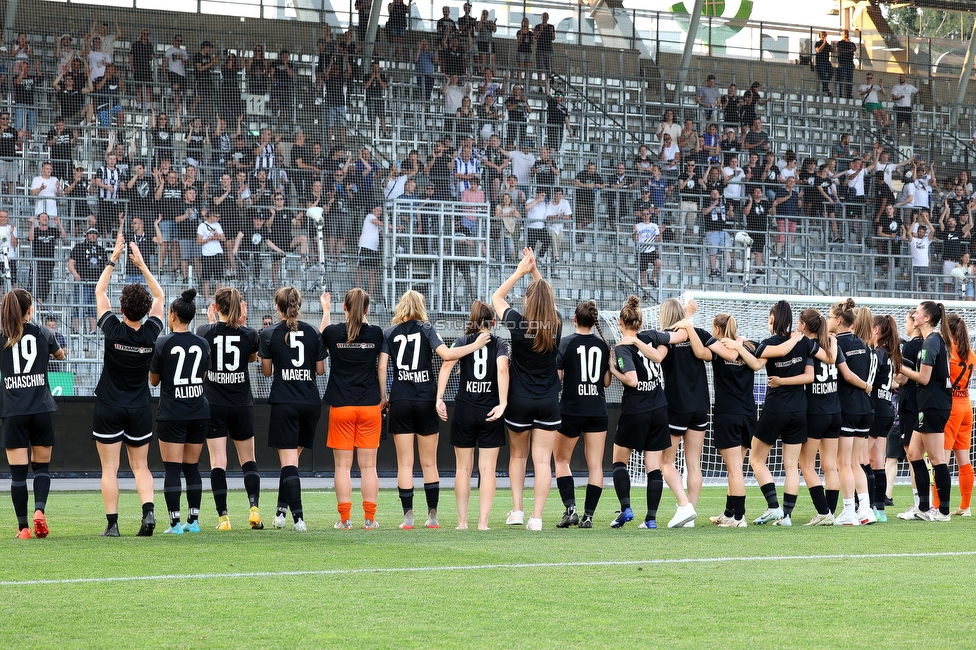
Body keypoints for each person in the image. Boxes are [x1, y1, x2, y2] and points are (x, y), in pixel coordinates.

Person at [379, 290, 488, 530]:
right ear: (420, 307)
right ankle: (432, 516)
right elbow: (447, 355)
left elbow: (383, 366)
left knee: (404, 463)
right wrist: (475, 345)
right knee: (429, 463)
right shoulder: (427, 329)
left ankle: (408, 517)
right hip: (426, 400)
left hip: (400, 400)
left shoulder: (389, 333)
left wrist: (384, 397)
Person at [93, 234, 164, 537]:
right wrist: (141, 263)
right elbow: (160, 297)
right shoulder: (151, 333)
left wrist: (113, 258)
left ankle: (112, 525)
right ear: (145, 311)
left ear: (121, 309)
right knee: (141, 466)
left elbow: (99, 291)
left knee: (110, 468)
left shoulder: (112, 329)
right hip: (139, 408)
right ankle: (148, 514)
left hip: (109, 406)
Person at [606, 295, 696, 529]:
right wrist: (686, 316)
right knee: (653, 465)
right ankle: (651, 519)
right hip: (659, 407)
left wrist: (613, 369)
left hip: (636, 409)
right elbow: (681, 335)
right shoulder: (652, 335)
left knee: (619, 461)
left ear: (620, 322)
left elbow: (632, 381)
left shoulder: (622, 347)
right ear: (641, 322)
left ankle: (625, 508)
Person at [491, 249, 561, 530]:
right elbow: (546, 298)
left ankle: (518, 510)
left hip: (519, 400)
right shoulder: (554, 324)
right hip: (548, 400)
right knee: (542, 461)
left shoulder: (518, 324)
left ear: (529, 300)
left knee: (518, 456)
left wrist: (521, 271)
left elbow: (496, 297)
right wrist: (535, 273)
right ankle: (537, 518)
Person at [435, 301, 508, 530]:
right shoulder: (500, 344)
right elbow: (503, 369)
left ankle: (462, 522)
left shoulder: (463, 341)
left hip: (464, 409)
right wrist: (503, 403)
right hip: (490, 410)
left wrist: (439, 397)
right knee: (487, 469)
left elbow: (447, 364)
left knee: (463, 469)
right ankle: (483, 523)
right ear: (493, 322)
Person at [259, 287, 326, 532]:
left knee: (288, 463)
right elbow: (320, 370)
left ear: (278, 307)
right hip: (310, 402)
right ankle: (280, 512)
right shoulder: (313, 331)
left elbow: (266, 372)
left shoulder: (269, 333)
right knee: (291, 463)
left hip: (285, 402)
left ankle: (298, 518)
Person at [0, 288, 65, 538]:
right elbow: (59, 356)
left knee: (18, 474)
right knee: (42, 468)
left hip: (14, 412)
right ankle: (40, 510)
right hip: (42, 409)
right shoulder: (44, 333)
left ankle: (24, 527)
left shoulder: (2, 337)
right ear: (30, 310)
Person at [198, 287, 263, 530]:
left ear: (216, 307)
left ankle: (223, 518)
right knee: (249, 459)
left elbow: (207, 351)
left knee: (218, 461)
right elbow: (252, 359)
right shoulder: (250, 334)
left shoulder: (205, 331)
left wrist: (211, 322)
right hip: (241, 404)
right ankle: (254, 509)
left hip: (214, 404)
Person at [750, 300, 819, 526]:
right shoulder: (803, 343)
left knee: (756, 458)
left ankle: (773, 507)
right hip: (799, 410)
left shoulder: (768, 344)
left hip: (775, 409)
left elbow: (757, 364)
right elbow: (813, 372)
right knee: (792, 466)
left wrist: (738, 345)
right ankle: (787, 516)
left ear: (773, 319)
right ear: (790, 322)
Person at [320, 289, 383, 530]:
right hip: (369, 407)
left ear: (344, 307)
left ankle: (345, 520)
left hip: (341, 407)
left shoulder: (334, 331)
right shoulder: (376, 333)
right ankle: (369, 518)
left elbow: (320, 337)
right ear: (367, 310)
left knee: (342, 467)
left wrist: (326, 310)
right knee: (369, 467)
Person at [148, 289, 210, 535]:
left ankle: (174, 523)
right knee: (192, 467)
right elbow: (203, 376)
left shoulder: (163, 341)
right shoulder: (202, 342)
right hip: (199, 410)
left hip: (173, 412)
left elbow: (153, 381)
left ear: (172, 315)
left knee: (172, 468)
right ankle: (193, 521)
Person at [553, 301, 610, 528]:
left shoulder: (566, 343)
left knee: (560, 459)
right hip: (597, 409)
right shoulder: (603, 345)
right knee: (595, 465)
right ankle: (588, 516)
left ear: (575, 319)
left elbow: (557, 378)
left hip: (571, 409)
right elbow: (606, 382)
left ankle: (571, 509)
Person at [703, 315, 762, 527]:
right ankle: (729, 513)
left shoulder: (718, 349)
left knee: (734, 469)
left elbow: (703, 350)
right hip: (748, 413)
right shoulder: (749, 346)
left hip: (727, 413)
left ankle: (739, 516)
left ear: (718, 329)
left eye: (712, 328)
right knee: (736, 468)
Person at [898, 301, 953, 521]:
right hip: (927, 405)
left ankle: (944, 512)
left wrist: (900, 367)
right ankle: (922, 507)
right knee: (913, 454)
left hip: (934, 405)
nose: (914, 315)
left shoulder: (931, 342)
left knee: (938, 458)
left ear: (927, 318)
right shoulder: (931, 341)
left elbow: (924, 378)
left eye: (918, 312)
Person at [827, 300, 876, 526]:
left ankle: (848, 511)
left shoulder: (836, 343)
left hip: (846, 407)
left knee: (843, 463)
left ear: (838, 320)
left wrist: (865, 385)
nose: (827, 321)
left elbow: (846, 375)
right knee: (856, 462)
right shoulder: (864, 344)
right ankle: (865, 510)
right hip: (864, 409)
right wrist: (866, 387)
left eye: (829, 317)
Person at [867, 314, 901, 522]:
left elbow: (868, 381)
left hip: (876, 409)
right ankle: (879, 508)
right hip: (887, 408)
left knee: (861, 459)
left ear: (877, 330)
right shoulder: (890, 354)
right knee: (877, 460)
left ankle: (864, 504)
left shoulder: (877, 354)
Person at [893, 310, 923, 517]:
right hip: (923, 404)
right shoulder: (929, 343)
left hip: (910, 404)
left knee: (913, 455)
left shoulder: (911, 346)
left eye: (906, 321)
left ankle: (919, 503)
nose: (905, 325)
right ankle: (925, 503)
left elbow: (902, 379)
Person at [69, 227, 108, 334]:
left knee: (94, 307)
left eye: (95, 234)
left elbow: (106, 266)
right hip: (83, 282)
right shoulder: (79, 247)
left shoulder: (101, 249)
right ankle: (76, 329)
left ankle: (93, 329)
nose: (93, 236)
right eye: (91, 234)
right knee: (80, 305)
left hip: (97, 283)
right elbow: (71, 262)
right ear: (86, 235)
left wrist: (104, 279)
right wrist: (75, 274)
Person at [28, 212, 65, 305]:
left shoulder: (52, 230)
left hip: (49, 263)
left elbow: (64, 236)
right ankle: (37, 305)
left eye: (46, 217)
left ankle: (41, 304)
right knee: (37, 285)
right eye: (42, 217)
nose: (45, 219)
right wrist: (32, 224)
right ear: (38, 220)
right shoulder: (35, 230)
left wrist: (59, 224)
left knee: (45, 285)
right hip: (38, 263)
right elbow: (30, 238)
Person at [633, 208, 663, 290]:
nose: (645, 216)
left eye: (647, 214)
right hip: (641, 252)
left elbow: (657, 240)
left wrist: (660, 232)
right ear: (641, 216)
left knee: (659, 263)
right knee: (643, 274)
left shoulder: (654, 226)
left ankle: (652, 279)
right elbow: (634, 239)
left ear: (650, 215)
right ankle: (645, 293)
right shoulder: (638, 226)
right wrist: (635, 231)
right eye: (643, 214)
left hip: (651, 250)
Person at [544, 82, 573, 153]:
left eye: (559, 95)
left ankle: (554, 161)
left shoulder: (564, 108)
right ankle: (552, 160)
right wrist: (548, 80)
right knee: (552, 146)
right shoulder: (552, 102)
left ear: (562, 97)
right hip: (552, 127)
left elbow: (567, 120)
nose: (558, 96)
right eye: (556, 94)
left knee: (557, 147)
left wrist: (570, 131)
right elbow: (547, 92)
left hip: (560, 128)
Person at [835, 30, 856, 99]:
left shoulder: (851, 43)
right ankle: (839, 93)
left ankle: (849, 93)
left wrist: (849, 43)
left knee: (850, 78)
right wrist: (848, 51)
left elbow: (854, 49)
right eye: (845, 34)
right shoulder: (840, 43)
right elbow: (840, 51)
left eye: (847, 33)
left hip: (850, 62)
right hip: (842, 62)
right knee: (841, 78)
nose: (846, 35)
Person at [814, 31, 833, 97]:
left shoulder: (828, 45)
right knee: (823, 74)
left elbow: (833, 50)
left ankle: (825, 87)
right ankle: (826, 89)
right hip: (820, 61)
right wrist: (823, 44)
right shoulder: (818, 43)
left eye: (824, 35)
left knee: (831, 72)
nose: (823, 36)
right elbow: (818, 50)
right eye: (822, 35)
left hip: (826, 61)